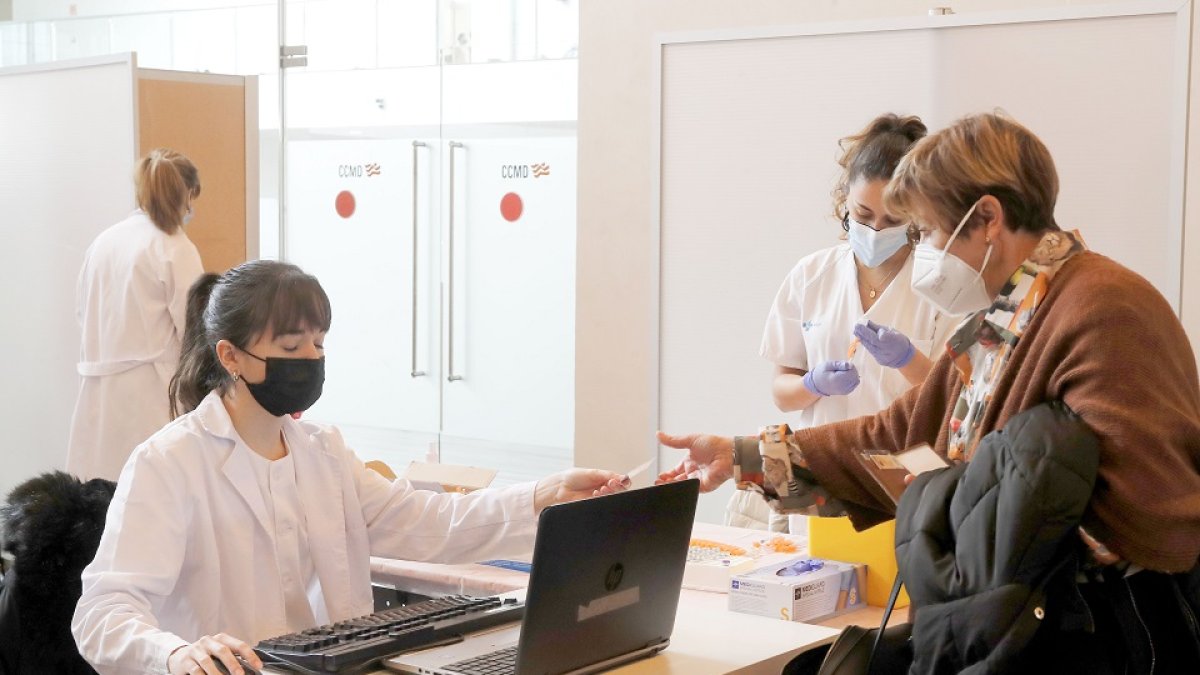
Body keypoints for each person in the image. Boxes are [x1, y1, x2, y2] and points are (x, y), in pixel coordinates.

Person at [659, 112, 1200, 671]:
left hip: (1100, 629)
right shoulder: (1015, 309)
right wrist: (746, 456)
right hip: (1013, 615)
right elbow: (903, 432)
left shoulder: (1105, 307)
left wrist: (970, 509)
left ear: (987, 217)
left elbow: (1158, 510)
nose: (926, 251)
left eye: (929, 231)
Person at [72, 260, 628, 675]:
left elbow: (428, 524)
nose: (311, 359)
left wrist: (543, 495)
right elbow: (101, 612)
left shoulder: (323, 451)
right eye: (292, 345)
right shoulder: (170, 463)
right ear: (230, 356)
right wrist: (174, 654)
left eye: (318, 343)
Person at [729, 114, 954, 532]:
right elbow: (782, 392)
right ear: (844, 198)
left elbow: (953, 399)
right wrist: (812, 384)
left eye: (891, 221)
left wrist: (908, 359)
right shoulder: (810, 275)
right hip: (820, 480)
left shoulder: (939, 286)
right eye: (863, 214)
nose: (874, 230)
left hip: (902, 487)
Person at [67, 148, 206, 481]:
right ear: (185, 194)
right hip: (152, 402)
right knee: (154, 500)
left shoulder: (104, 242)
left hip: (98, 400)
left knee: (99, 506)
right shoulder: (173, 247)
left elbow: (82, 316)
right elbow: (196, 332)